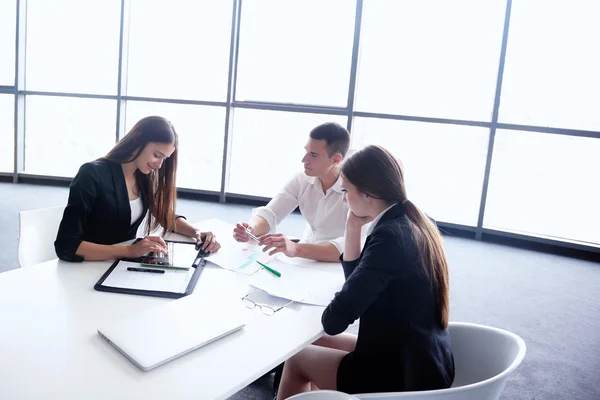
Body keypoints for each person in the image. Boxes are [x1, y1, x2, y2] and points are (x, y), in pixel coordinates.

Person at [276, 145, 455, 399]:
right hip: (420, 357)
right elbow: (357, 282)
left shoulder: (390, 237)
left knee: (297, 359)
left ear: (368, 193)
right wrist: (353, 226)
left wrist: (342, 299)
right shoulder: (412, 220)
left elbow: (334, 321)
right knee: (309, 343)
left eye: (346, 190)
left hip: (403, 378)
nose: (344, 198)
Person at [55, 116, 220, 262]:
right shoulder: (92, 174)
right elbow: (66, 244)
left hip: (118, 265)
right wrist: (129, 251)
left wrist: (196, 232)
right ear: (138, 141)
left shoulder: (143, 176)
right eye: (157, 155)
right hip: (88, 268)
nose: (159, 165)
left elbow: (165, 215)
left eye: (164, 159)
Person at [232, 122, 350, 262]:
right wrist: (251, 229)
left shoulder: (355, 190)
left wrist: (295, 248)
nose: (304, 160)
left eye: (313, 155)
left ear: (336, 159)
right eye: (306, 151)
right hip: (305, 254)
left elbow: (351, 247)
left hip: (336, 263)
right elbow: (271, 213)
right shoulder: (302, 179)